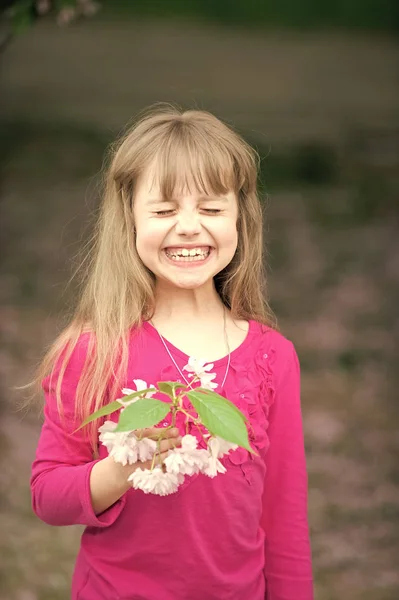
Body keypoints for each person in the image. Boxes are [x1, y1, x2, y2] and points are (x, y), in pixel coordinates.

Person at [30, 105, 314, 600]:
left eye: (210, 209)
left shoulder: (272, 355)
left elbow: (284, 515)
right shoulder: (94, 349)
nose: (187, 227)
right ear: (130, 221)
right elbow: (48, 496)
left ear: (240, 220)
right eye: (163, 211)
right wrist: (120, 468)